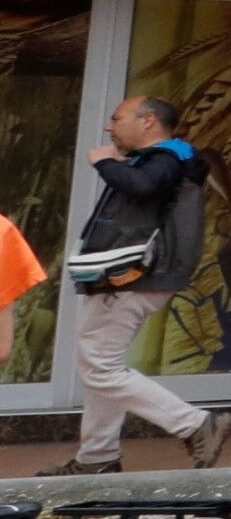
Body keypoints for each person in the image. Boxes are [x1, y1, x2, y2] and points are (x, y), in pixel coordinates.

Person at [67, 92, 221, 470]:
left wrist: (105, 162)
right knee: (100, 366)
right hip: (134, 276)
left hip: (132, 276)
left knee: (101, 367)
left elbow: (143, 187)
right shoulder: (170, 159)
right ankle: (97, 457)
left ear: (148, 121)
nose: (109, 126)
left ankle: (195, 423)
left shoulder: (166, 157)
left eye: (117, 118)